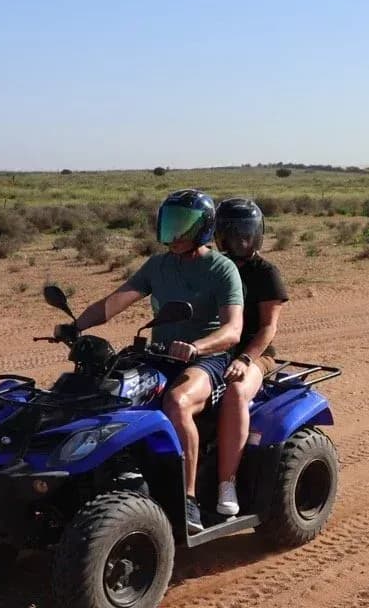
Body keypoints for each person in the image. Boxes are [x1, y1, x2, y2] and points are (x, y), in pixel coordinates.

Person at [54, 189, 243, 533]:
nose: (173, 233)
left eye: (181, 225)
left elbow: (232, 330)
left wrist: (197, 347)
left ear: (202, 227)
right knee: (108, 392)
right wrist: (75, 325)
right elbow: (114, 302)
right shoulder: (158, 265)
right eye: (169, 223)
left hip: (208, 359)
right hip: (161, 355)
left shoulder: (221, 268)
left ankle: (188, 501)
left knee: (177, 401)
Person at [211, 198, 290, 517]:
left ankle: (226, 483)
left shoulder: (266, 272)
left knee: (235, 392)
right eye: (233, 234)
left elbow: (268, 328)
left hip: (257, 355)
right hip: (215, 351)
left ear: (257, 235)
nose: (241, 241)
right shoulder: (214, 269)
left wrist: (245, 359)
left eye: (247, 233)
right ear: (220, 237)